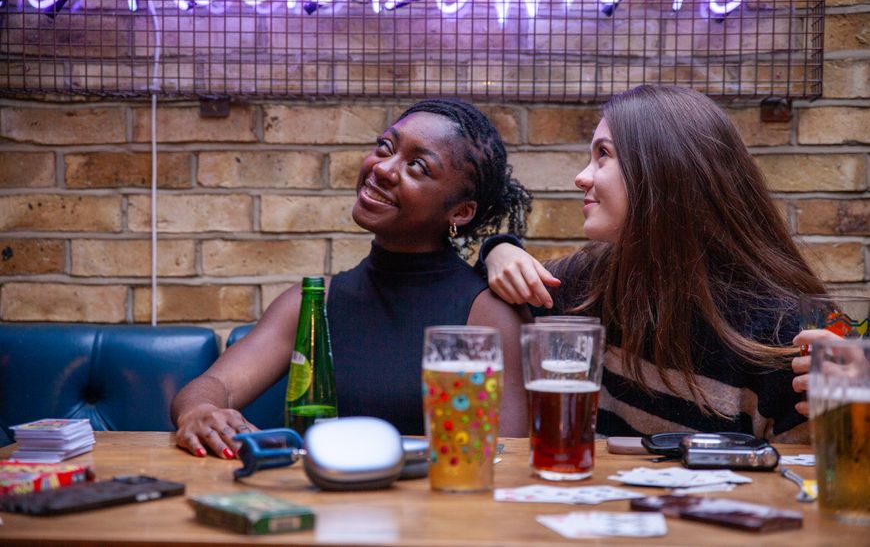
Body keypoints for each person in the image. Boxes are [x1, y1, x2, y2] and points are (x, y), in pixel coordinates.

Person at [172, 99, 532, 458]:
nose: (384, 168)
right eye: (385, 147)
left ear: (460, 211)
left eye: (418, 166)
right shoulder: (315, 300)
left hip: (432, 509)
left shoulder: (484, 312)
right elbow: (213, 385)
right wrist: (201, 413)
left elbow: (506, 454)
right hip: (327, 507)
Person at [482, 85, 825, 443]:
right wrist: (498, 251)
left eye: (603, 154)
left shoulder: (782, 328)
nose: (581, 177)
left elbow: (817, 477)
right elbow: (486, 294)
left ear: (664, 167)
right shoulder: (589, 280)